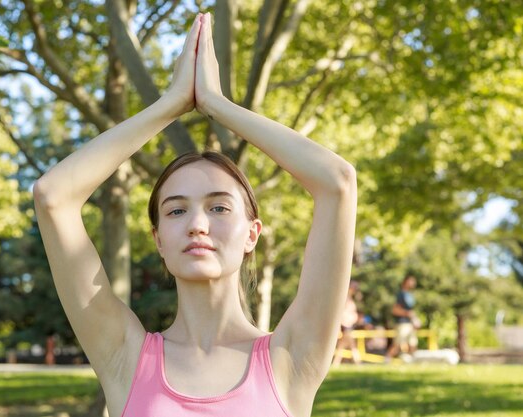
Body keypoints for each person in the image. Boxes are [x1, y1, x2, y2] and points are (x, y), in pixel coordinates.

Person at [33, 12, 357, 417]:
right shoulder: (125, 356)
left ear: (252, 234)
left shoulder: (290, 357)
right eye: (176, 210)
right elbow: (53, 196)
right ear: (158, 240)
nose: (197, 224)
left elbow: (338, 182)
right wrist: (170, 104)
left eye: (219, 207)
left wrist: (218, 106)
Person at [385, 274, 420, 362]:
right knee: (397, 344)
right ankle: (386, 360)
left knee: (413, 343)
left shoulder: (410, 295)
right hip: (402, 323)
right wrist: (407, 314)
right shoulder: (401, 294)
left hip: (410, 323)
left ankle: (414, 362)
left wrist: (414, 319)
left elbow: (411, 311)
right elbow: (395, 310)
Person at [332, 281, 362, 365]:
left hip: (347, 325)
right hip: (346, 325)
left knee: (342, 346)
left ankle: (336, 363)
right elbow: (340, 312)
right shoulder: (345, 299)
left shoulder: (348, 299)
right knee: (352, 345)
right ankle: (358, 362)